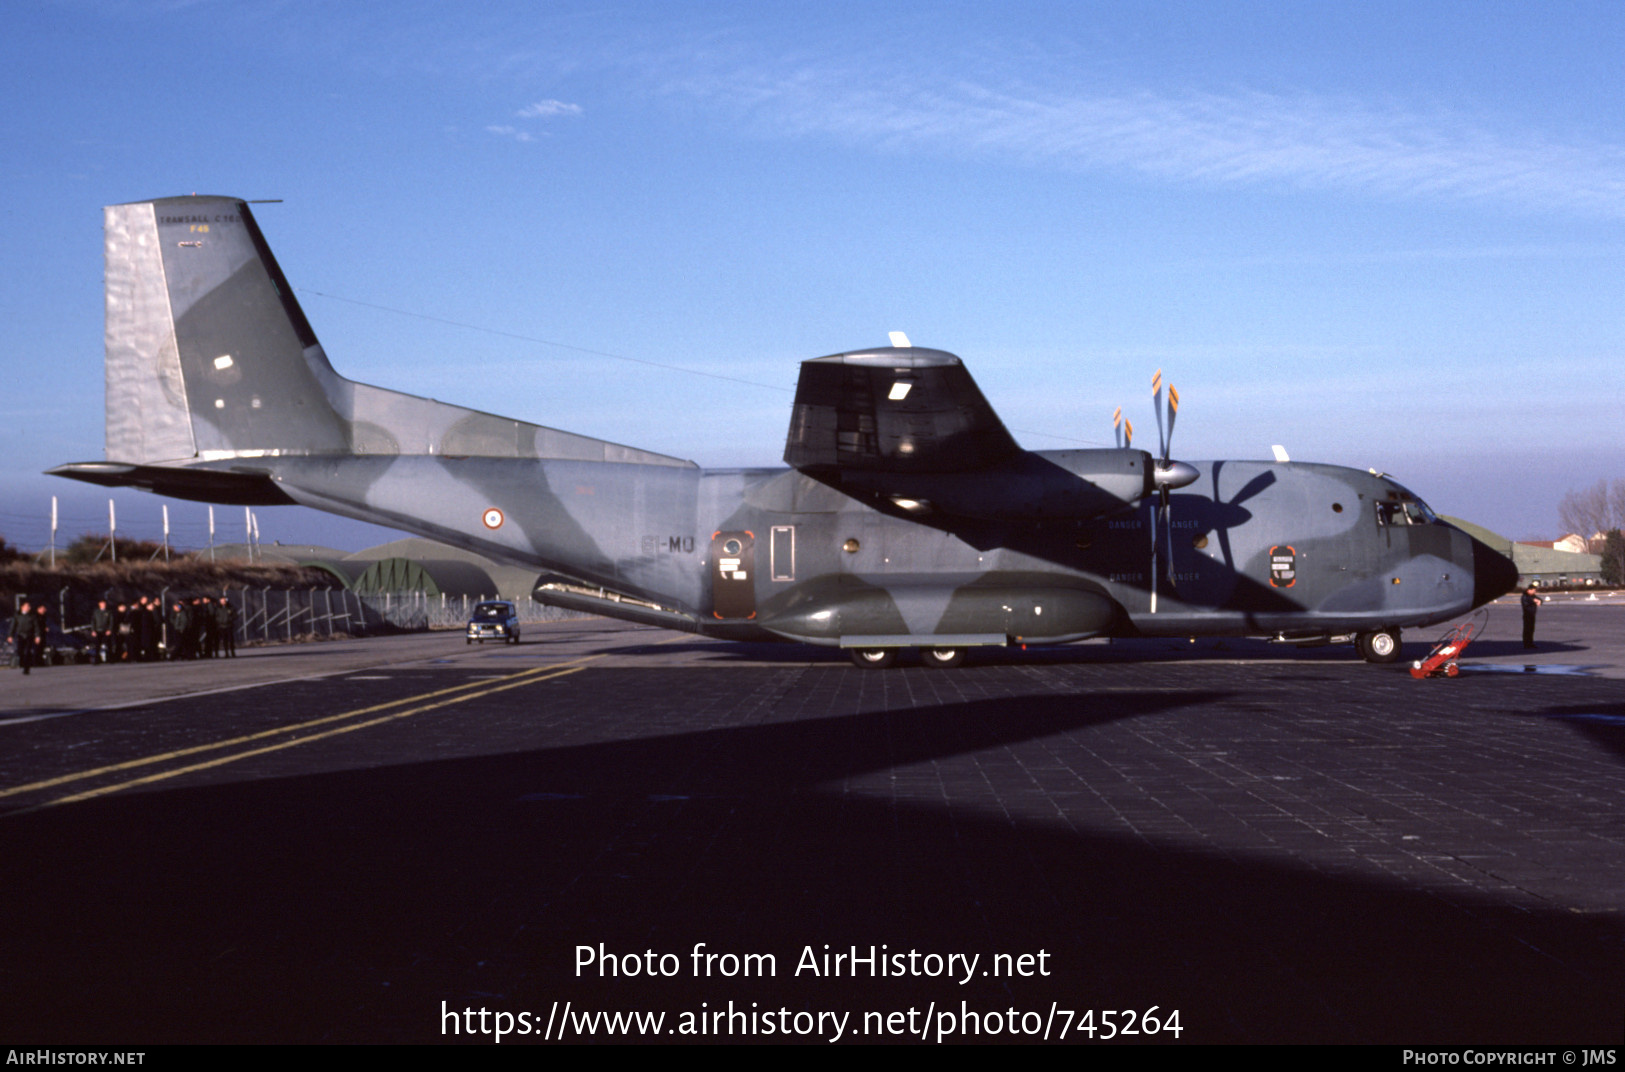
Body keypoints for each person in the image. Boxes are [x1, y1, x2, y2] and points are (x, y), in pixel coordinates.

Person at [10, 598, 42, 675]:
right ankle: (22, 663)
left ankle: (26, 668)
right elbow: (13, 626)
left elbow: (36, 626)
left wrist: (37, 636)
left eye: (29, 606)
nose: (29, 608)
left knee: (27, 651)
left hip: (29, 635)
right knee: (20, 651)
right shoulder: (17, 615)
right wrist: (10, 635)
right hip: (20, 635)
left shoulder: (32, 616)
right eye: (27, 606)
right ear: (22, 607)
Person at [1521, 585, 1543, 650]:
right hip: (1527, 615)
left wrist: (1539, 601)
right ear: (1529, 590)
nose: (1535, 591)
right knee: (1527, 630)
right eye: (1534, 590)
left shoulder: (1533, 596)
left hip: (1532, 615)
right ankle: (1526, 644)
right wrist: (1534, 601)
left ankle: (1531, 643)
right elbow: (1526, 603)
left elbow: (1540, 600)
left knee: (1531, 629)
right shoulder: (1525, 596)